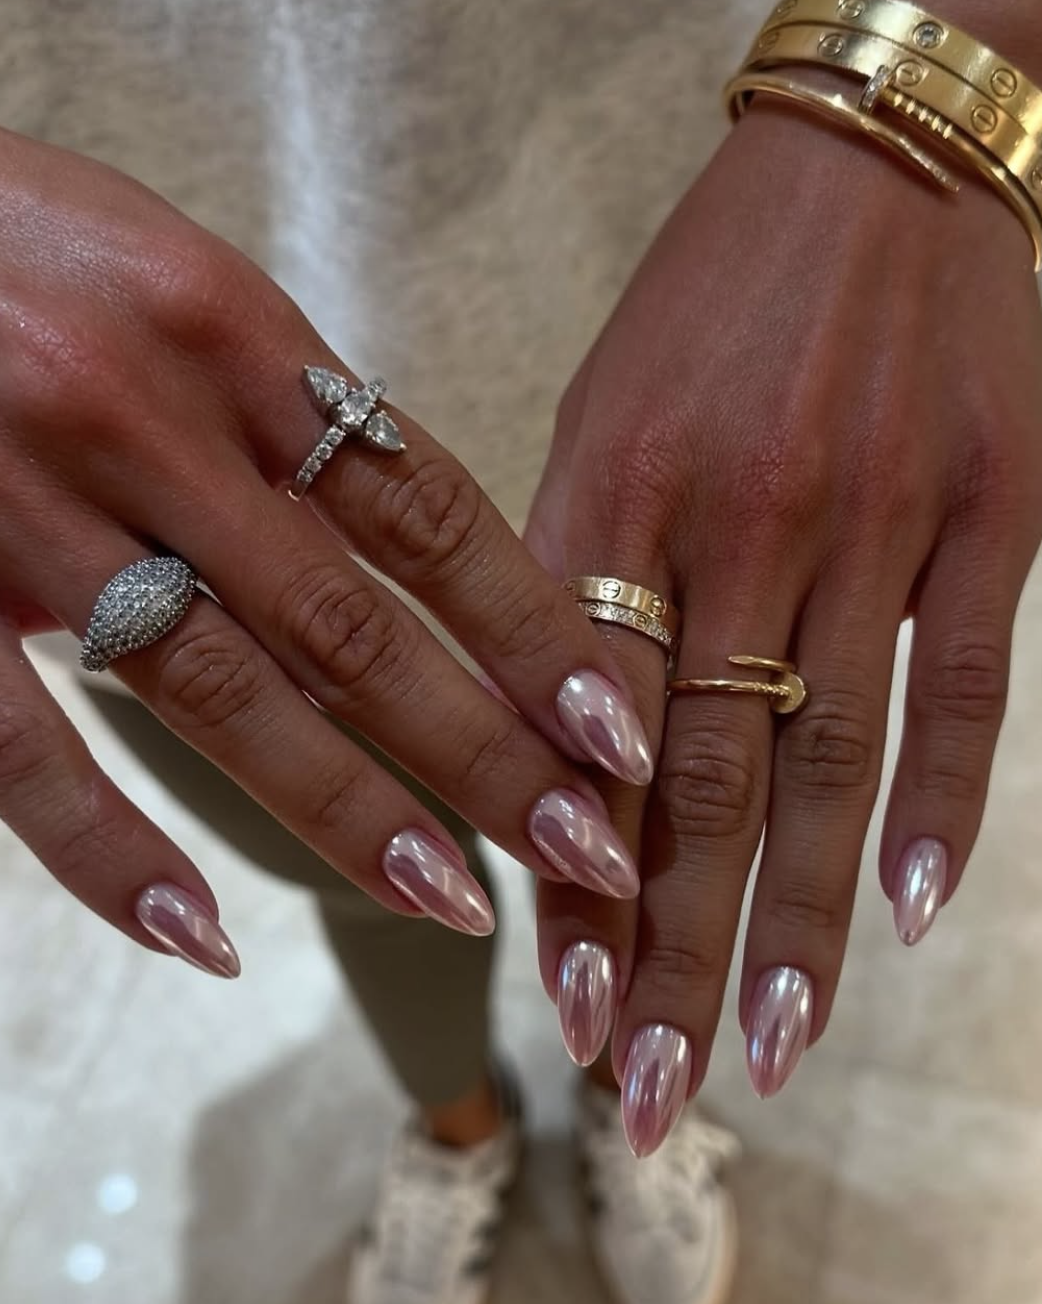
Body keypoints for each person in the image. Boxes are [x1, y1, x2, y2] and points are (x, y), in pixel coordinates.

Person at [2, 0, 1041, 1302]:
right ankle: (458, 1131)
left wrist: (950, 57)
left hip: (710, 281)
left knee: (661, 845)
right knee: (373, 872)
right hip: (109, 416)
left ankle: (629, 1096)